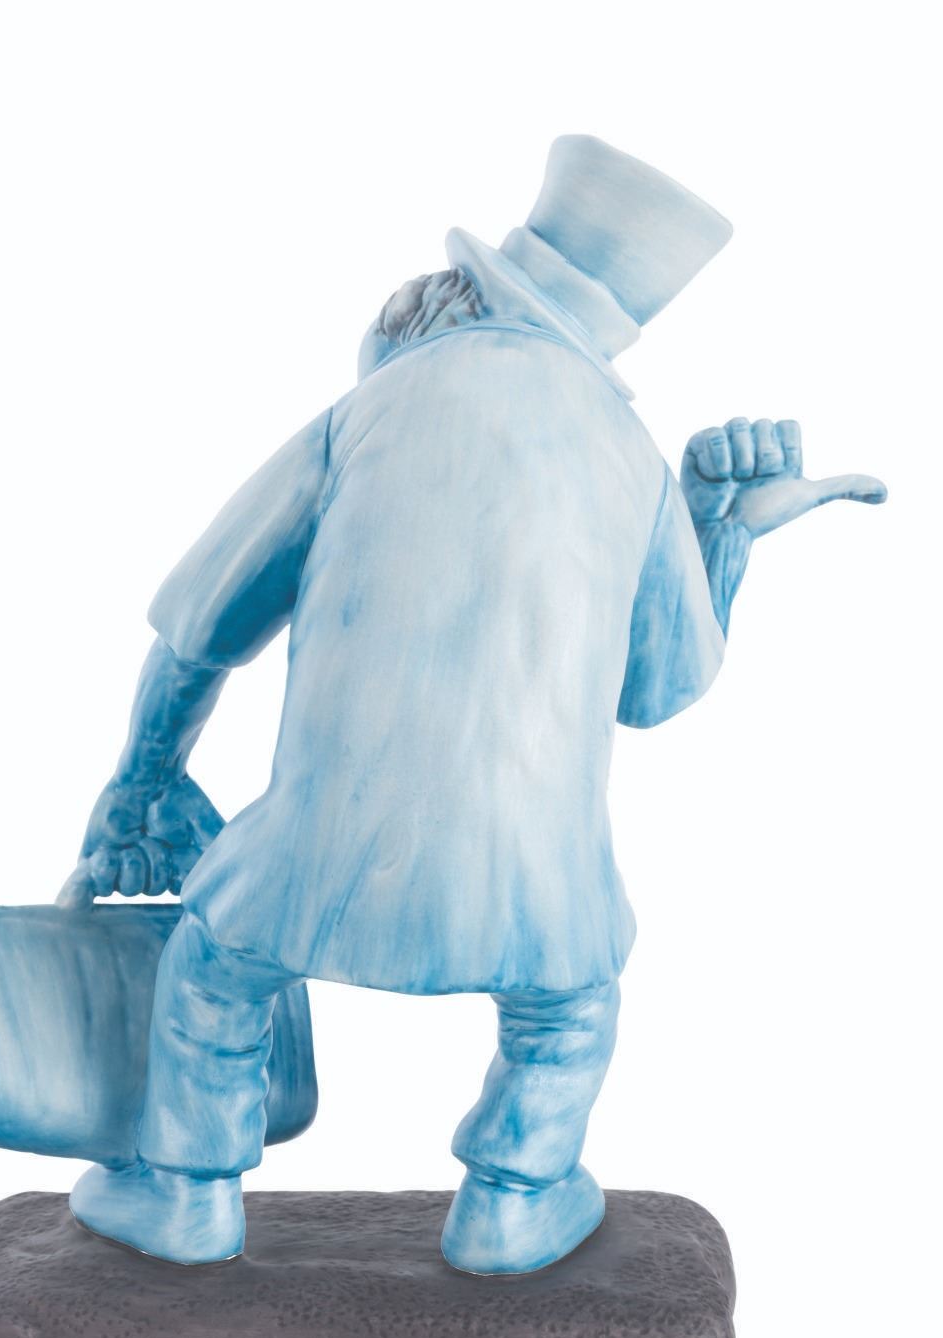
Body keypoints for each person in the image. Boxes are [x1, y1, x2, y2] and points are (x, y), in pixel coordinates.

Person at [63, 136, 886, 1272]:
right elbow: (658, 690)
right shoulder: (631, 457)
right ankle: (514, 1197)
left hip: (311, 861)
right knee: (568, 1016)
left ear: (441, 308)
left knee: (213, 971)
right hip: (540, 895)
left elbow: (197, 627)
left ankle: (188, 1193)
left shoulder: (366, 412)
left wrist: (141, 782)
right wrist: (722, 530)